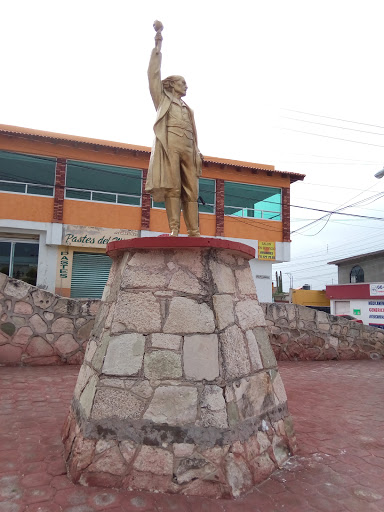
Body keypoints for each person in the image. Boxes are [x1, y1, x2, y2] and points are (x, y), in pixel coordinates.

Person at [145, 33, 203, 237]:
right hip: (170, 147)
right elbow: (153, 75)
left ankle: (194, 231)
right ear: (172, 85)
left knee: (192, 192)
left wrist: (197, 150)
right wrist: (157, 46)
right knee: (174, 189)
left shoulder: (189, 109)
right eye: (183, 83)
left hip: (188, 148)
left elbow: (194, 134)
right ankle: (174, 228)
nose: (186, 86)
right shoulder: (162, 99)